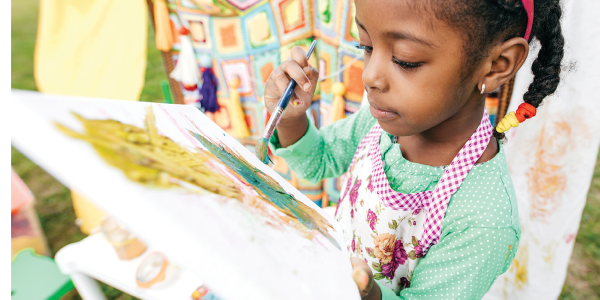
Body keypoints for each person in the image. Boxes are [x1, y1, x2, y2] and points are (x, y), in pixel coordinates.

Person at [263, 0, 565, 298]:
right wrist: (291, 118)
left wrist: (367, 293)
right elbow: (319, 160)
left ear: (497, 65)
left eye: (406, 60)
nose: (370, 77)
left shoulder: (484, 221)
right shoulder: (381, 122)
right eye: (366, 46)